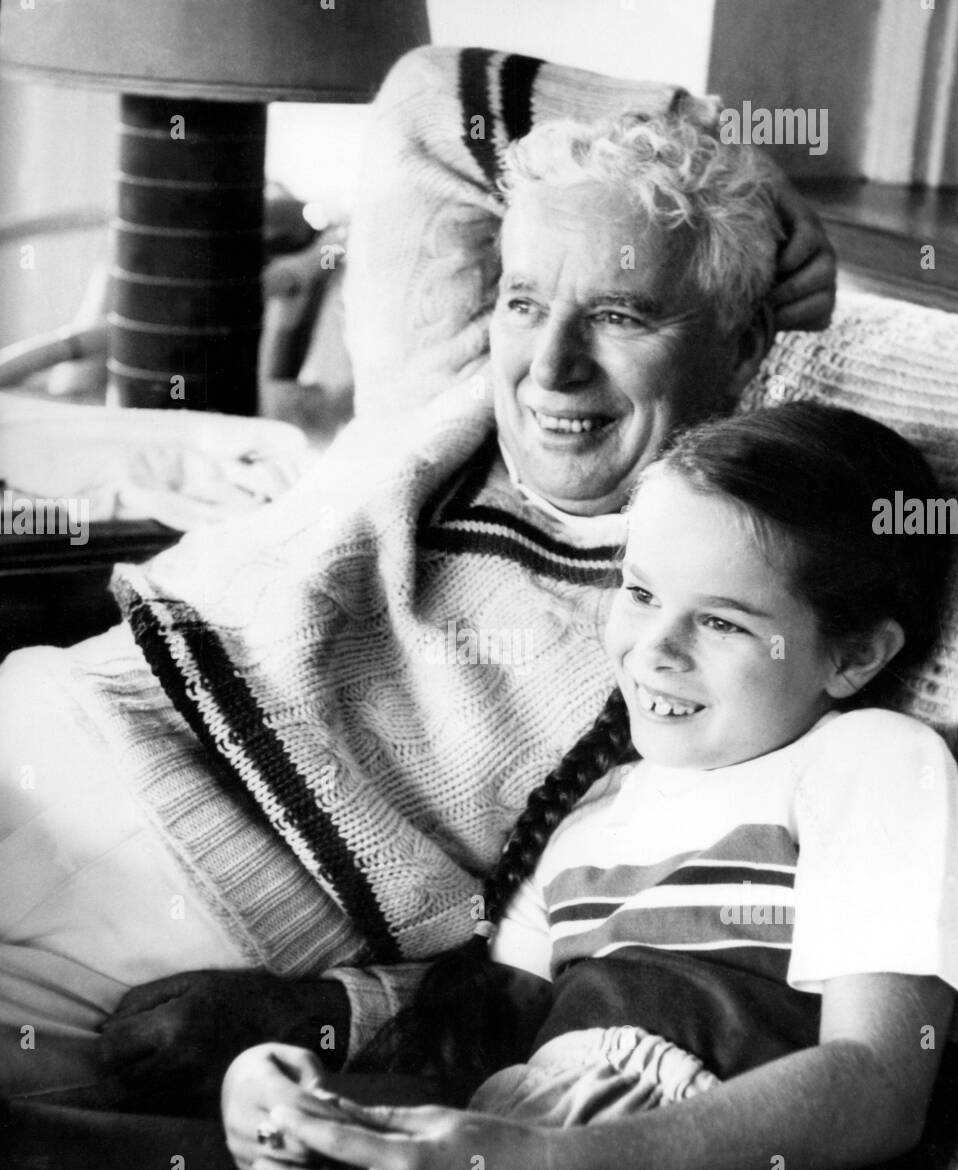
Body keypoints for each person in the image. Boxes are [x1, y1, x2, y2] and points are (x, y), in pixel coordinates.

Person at [2, 402, 955, 1170]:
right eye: (640, 591)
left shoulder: (876, 761)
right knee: (24, 1156)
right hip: (511, 1138)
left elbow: (876, 1087)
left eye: (722, 621)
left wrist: (519, 1158)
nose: (653, 649)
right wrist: (303, 1101)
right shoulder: (594, 815)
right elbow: (477, 1068)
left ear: (855, 656)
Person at [0, 109, 834, 1111]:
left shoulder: (719, 602)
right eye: (526, 302)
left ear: (740, 342)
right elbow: (427, 105)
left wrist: (330, 1011)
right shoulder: (436, 386)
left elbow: (579, 949)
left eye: (620, 317)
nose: (550, 366)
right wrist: (741, 163)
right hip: (43, 730)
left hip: (186, 913)